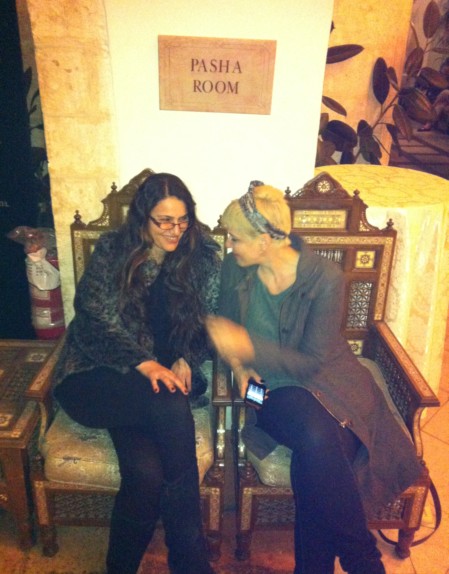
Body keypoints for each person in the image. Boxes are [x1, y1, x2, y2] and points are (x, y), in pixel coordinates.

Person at [206, 181, 424, 574]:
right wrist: (239, 366)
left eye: (235, 238)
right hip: (262, 390)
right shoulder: (234, 268)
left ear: (265, 241)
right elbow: (225, 331)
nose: (229, 245)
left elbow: (311, 362)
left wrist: (246, 343)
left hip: (332, 382)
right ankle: (364, 562)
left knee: (316, 455)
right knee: (317, 438)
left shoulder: (325, 277)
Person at [53, 173, 221, 574]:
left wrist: (186, 357)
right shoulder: (114, 250)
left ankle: (120, 568)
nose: (175, 230)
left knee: (145, 474)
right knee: (170, 402)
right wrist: (144, 363)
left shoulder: (200, 258)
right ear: (143, 217)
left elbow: (207, 323)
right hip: (97, 374)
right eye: (164, 221)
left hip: (152, 390)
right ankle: (190, 559)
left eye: (182, 220)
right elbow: (92, 318)